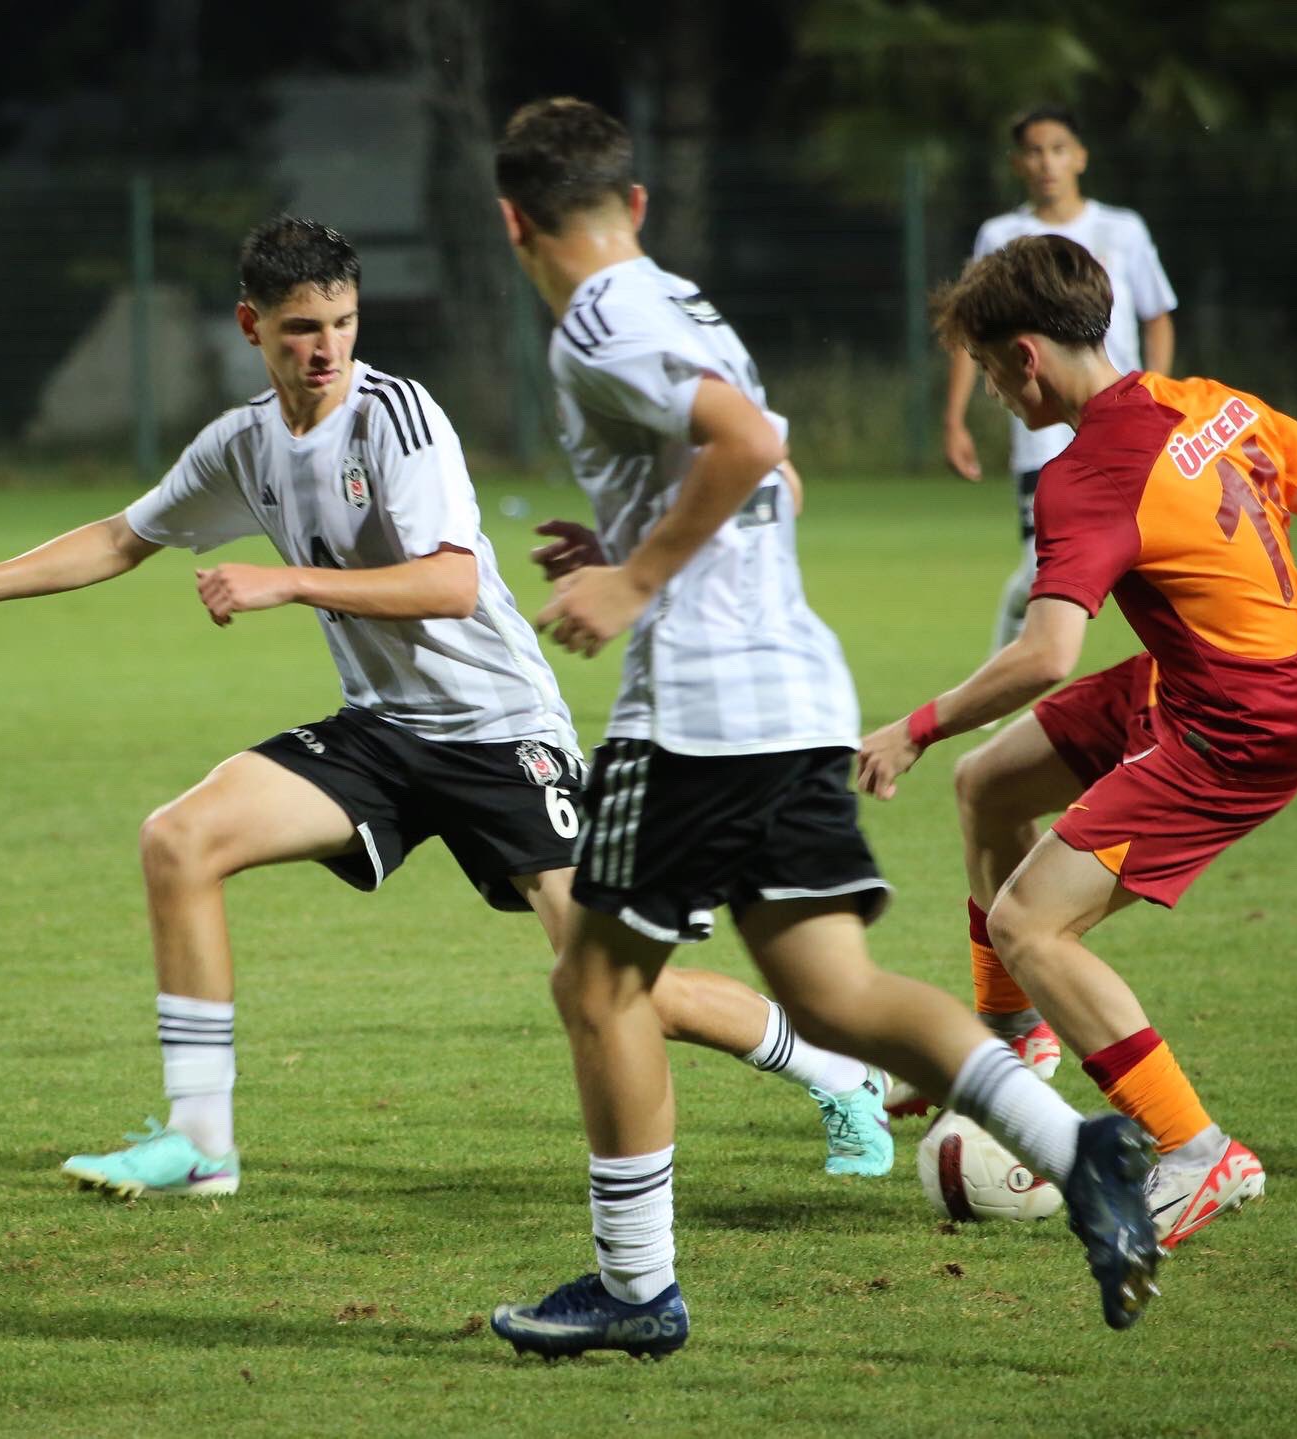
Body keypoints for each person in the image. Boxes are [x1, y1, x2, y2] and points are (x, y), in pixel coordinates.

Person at [0, 216, 897, 1197]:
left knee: (625, 985)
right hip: (380, 730)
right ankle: (202, 1139)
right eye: (299, 327)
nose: (326, 347)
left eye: (342, 320)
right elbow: (122, 536)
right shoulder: (243, 442)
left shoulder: (395, 418)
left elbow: (451, 585)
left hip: (502, 736)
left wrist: (288, 583)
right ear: (251, 325)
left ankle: (839, 1069)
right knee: (179, 839)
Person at [488, 96, 1160, 1358]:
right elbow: (778, 466)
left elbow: (742, 448)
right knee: (829, 988)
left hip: (696, 708)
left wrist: (635, 583)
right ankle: (1083, 1148)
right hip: (791, 690)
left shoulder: (599, 317)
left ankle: (635, 1288)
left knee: (596, 979)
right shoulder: (684, 301)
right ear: (635, 203)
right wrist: (637, 539)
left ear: (513, 218)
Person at [860, 233, 1297, 1249]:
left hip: (1232, 728)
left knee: (1032, 922)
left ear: (1026, 355)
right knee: (991, 786)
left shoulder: (1090, 474)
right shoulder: (1211, 401)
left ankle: (1199, 1150)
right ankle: (1012, 1031)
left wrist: (916, 725)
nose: (991, 391)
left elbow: (1044, 655)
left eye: (988, 370)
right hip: (1203, 681)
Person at [944, 104, 1176, 654]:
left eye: (1057, 149)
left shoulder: (1121, 229)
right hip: (1041, 425)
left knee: (1158, 556)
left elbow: (1157, 315)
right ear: (1017, 163)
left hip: (1122, 418)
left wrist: (1156, 393)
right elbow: (971, 332)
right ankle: (998, 681)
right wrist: (954, 418)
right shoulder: (1001, 234)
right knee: (1038, 572)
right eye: (1033, 151)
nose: (1046, 162)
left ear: (1080, 157)